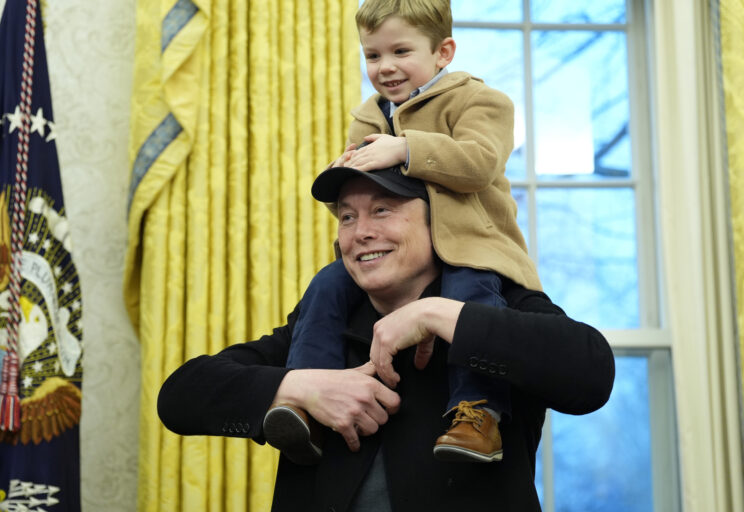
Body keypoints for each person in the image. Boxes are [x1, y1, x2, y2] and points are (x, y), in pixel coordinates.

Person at [157, 166, 615, 512]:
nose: (361, 233)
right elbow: (179, 396)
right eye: (347, 217)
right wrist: (303, 387)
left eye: (383, 209)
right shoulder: (321, 323)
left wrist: (436, 313)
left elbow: (591, 371)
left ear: (440, 223)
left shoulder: (496, 303)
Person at [278, 0, 542, 464]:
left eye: (401, 51)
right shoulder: (369, 113)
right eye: (373, 56)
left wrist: (404, 148)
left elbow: (480, 164)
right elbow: (356, 193)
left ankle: (477, 415)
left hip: (469, 250)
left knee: (468, 299)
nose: (386, 67)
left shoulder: (480, 101)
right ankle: (309, 399)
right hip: (401, 258)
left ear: (444, 52)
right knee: (326, 283)